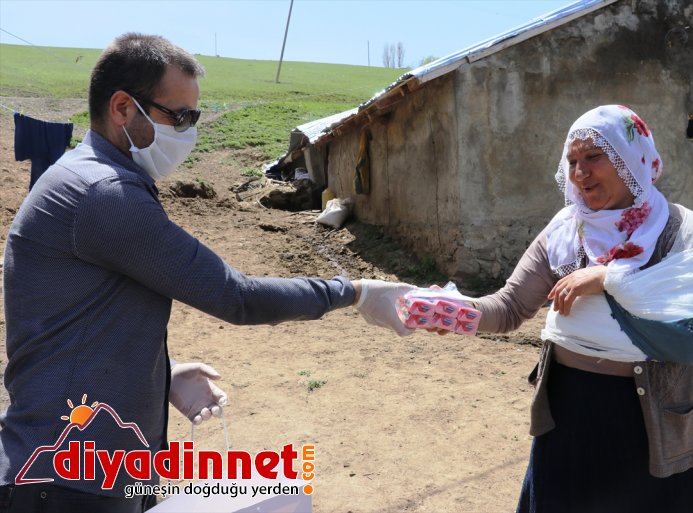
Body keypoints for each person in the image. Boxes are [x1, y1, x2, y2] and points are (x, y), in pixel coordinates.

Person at [0, 33, 411, 513]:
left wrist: (161, 374)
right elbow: (237, 296)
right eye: (180, 116)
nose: (189, 131)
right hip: (64, 484)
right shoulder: (103, 193)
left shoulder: (93, 179)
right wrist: (355, 291)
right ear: (121, 109)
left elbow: (78, 324)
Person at [469, 105, 693, 512]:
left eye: (593, 157)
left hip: (650, 414)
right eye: (572, 161)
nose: (579, 173)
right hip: (571, 409)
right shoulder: (566, 230)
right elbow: (510, 306)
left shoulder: (679, 228)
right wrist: (450, 310)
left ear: (629, 158)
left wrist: (608, 278)